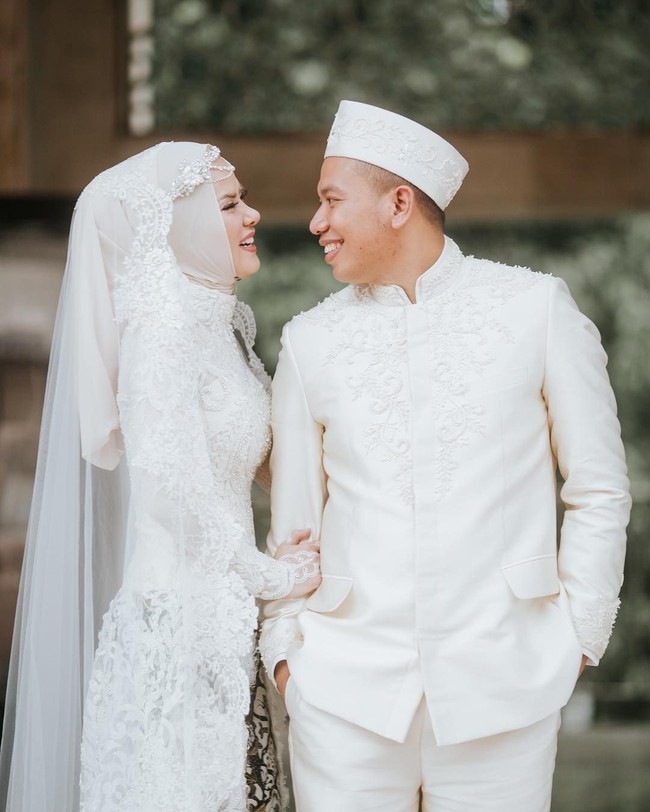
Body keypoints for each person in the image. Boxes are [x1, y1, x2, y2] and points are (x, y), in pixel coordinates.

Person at [260, 101, 631, 812]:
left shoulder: (536, 308)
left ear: (399, 203)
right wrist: (286, 657)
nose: (316, 222)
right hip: (341, 691)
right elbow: (294, 523)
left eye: (332, 199)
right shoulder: (309, 342)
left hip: (509, 686)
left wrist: (579, 635)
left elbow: (599, 488)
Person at [0, 142, 320, 812]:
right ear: (178, 227)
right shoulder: (160, 329)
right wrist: (272, 576)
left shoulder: (217, 327)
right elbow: (168, 485)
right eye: (230, 204)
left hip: (222, 618)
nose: (252, 214)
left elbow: (259, 460)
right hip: (177, 627)